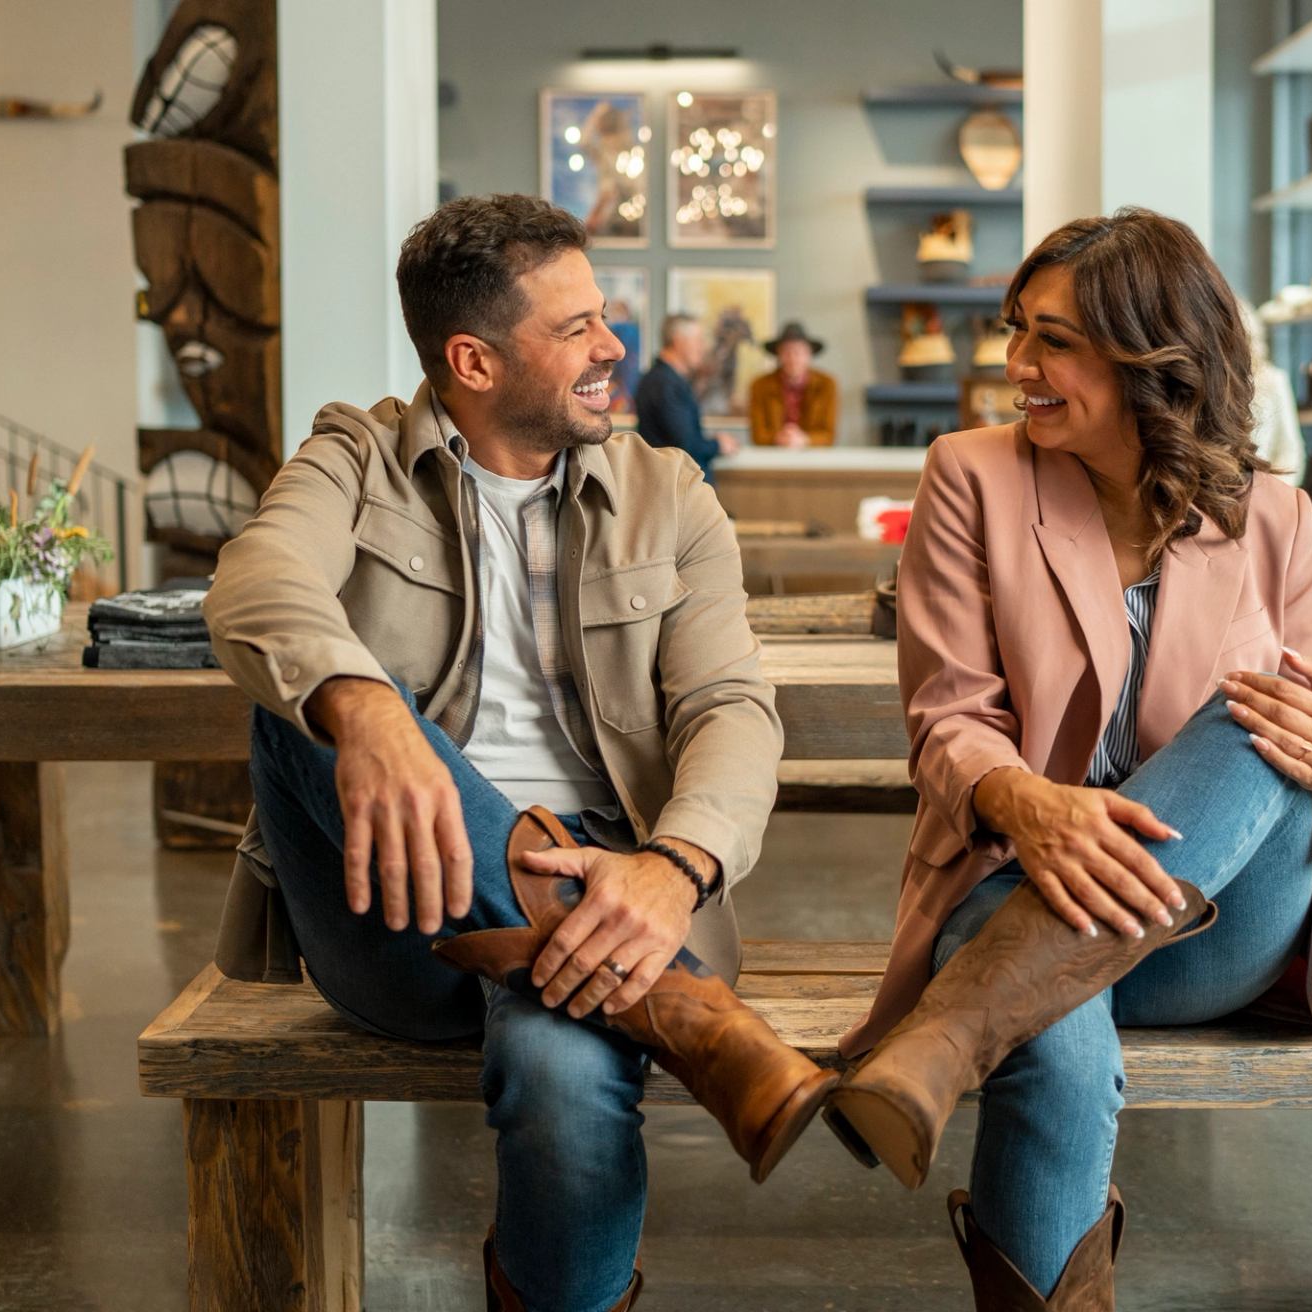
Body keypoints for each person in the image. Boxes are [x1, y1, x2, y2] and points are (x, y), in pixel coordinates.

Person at [203, 194, 828, 1312]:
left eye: (607, 317)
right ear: (473, 360)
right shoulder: (355, 454)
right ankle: (699, 1021)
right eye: (576, 327)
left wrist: (676, 864)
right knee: (294, 702)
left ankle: (653, 1000)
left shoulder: (668, 493)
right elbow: (256, 583)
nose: (613, 348)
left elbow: (732, 705)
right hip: (403, 902)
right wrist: (374, 712)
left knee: (560, 1066)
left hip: (629, 885)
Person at [823, 208, 1312, 1309]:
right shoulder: (970, 476)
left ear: (1152, 355)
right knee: (1056, 1031)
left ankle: (947, 1036)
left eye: (1053, 340)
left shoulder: (1273, 516)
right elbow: (948, 715)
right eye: (1016, 331)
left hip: (1210, 933)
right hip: (1009, 875)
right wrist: (1032, 806)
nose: (1017, 365)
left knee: (1260, 719)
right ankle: (993, 1021)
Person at [634, 313, 736, 479]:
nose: (703, 347)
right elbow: (684, 446)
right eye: (698, 340)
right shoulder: (664, 383)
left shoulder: (666, 380)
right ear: (678, 341)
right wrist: (718, 445)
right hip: (675, 492)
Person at [1238, 295, 1305, 487]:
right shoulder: (1212, 384)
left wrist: (1272, 497)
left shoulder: (1273, 380)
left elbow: (1289, 451)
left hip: (1265, 492)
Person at [749, 321, 838, 447]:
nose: (792, 358)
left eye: (798, 352)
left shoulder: (826, 384)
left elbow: (828, 435)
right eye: (786, 352)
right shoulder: (760, 385)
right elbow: (758, 435)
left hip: (814, 457)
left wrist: (804, 440)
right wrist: (779, 438)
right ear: (778, 355)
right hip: (772, 457)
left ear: (809, 355)